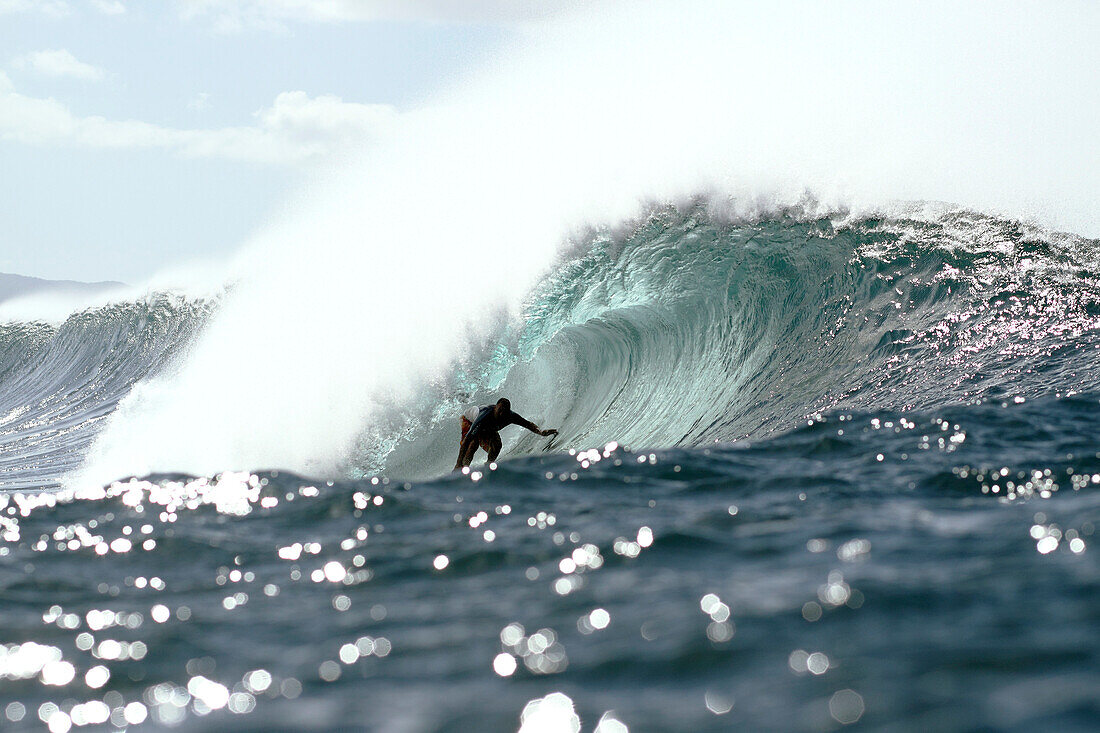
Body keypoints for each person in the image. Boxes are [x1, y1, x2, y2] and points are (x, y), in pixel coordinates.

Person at [455, 398, 558, 470]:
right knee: (473, 443)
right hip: (468, 420)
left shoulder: (510, 416)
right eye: (499, 411)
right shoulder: (484, 416)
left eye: (504, 412)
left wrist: (541, 432)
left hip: (487, 428)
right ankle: (462, 469)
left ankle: (488, 466)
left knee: (497, 445)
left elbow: (528, 424)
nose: (501, 414)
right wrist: (458, 463)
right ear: (495, 407)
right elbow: (467, 440)